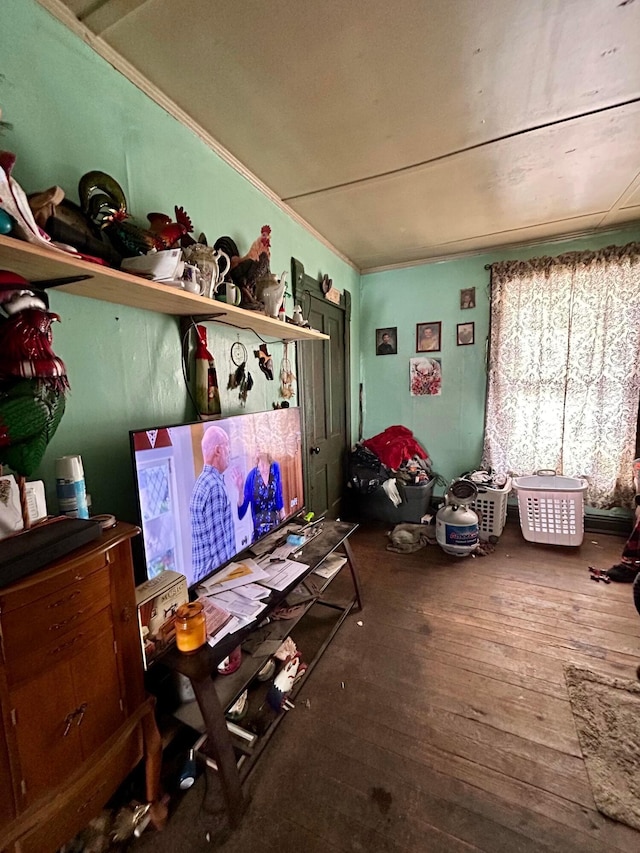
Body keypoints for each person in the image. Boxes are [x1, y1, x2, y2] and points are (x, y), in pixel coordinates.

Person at [190, 426, 243, 583]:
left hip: (209, 579)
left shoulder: (204, 482)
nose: (230, 452)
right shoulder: (213, 487)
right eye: (228, 446)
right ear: (218, 450)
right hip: (214, 582)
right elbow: (220, 552)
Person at [238, 452, 286, 541]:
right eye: (261, 465)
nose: (264, 469)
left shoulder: (275, 467)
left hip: (276, 527)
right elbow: (241, 513)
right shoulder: (251, 477)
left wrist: (283, 515)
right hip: (259, 533)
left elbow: (278, 494)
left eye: (266, 465)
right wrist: (240, 490)